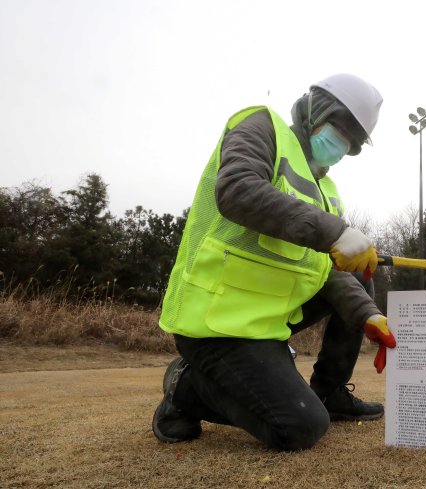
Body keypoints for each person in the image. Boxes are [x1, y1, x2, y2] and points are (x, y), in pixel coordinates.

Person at [151, 74, 397, 451]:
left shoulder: (326, 191)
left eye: (350, 142)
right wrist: (333, 232)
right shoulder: (262, 126)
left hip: (264, 324)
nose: (341, 146)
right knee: (301, 427)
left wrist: (367, 314)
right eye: (339, 130)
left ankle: (329, 393)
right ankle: (186, 387)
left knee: (359, 278)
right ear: (314, 110)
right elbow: (237, 190)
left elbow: (324, 270)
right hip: (214, 325)